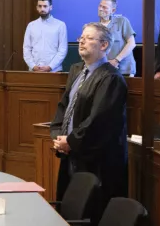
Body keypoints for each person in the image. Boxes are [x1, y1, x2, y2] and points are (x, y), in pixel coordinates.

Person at [49, 23, 128, 205]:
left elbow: (98, 121)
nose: (82, 42)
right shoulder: (77, 70)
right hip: (71, 154)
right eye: (81, 38)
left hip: (96, 162)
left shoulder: (111, 78)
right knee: (67, 208)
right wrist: (58, 135)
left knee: (88, 214)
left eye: (89, 38)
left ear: (104, 45)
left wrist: (70, 141)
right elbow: (64, 107)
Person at [23, 0, 67, 72]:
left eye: (45, 6)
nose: (42, 9)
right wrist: (33, 66)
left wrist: (50, 66)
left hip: (54, 70)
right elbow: (26, 49)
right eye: (40, 6)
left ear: (51, 7)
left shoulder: (60, 25)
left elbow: (63, 49)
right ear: (37, 8)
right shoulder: (31, 25)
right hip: (34, 70)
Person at [97, 0, 137, 76]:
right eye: (100, 6)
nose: (101, 9)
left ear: (113, 10)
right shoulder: (95, 27)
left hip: (124, 70)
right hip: (104, 72)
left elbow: (131, 43)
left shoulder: (122, 21)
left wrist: (116, 60)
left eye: (104, 7)